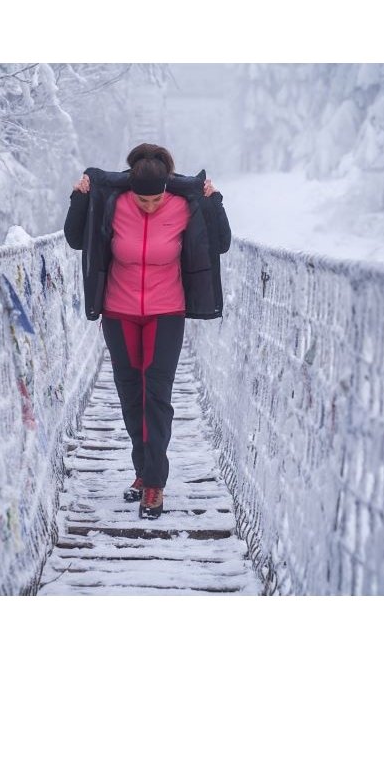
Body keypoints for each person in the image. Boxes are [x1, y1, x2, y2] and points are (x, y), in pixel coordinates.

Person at [63, 143, 231, 520]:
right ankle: (143, 469)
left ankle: (155, 482)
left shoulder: (183, 204)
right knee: (131, 395)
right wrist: (79, 196)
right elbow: (75, 238)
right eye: (143, 200)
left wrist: (214, 200)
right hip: (118, 311)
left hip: (166, 312)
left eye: (156, 199)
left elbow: (221, 243)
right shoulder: (114, 202)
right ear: (131, 191)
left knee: (156, 395)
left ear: (166, 190)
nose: (150, 206)